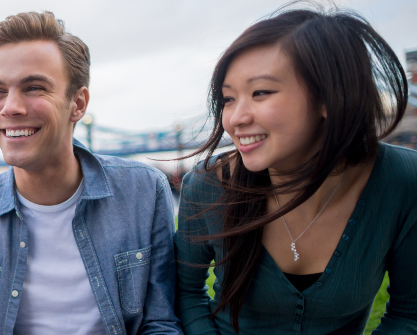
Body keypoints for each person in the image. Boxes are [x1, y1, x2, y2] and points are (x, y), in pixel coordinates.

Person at [175, 7, 417, 334]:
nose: (235, 118)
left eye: (260, 92)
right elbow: (186, 292)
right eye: (228, 98)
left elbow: (408, 314)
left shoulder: (402, 179)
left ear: (330, 97)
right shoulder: (207, 184)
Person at [0, 11, 182, 335]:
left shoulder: (144, 191)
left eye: (34, 87)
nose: (10, 107)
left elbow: (160, 323)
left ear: (78, 103)